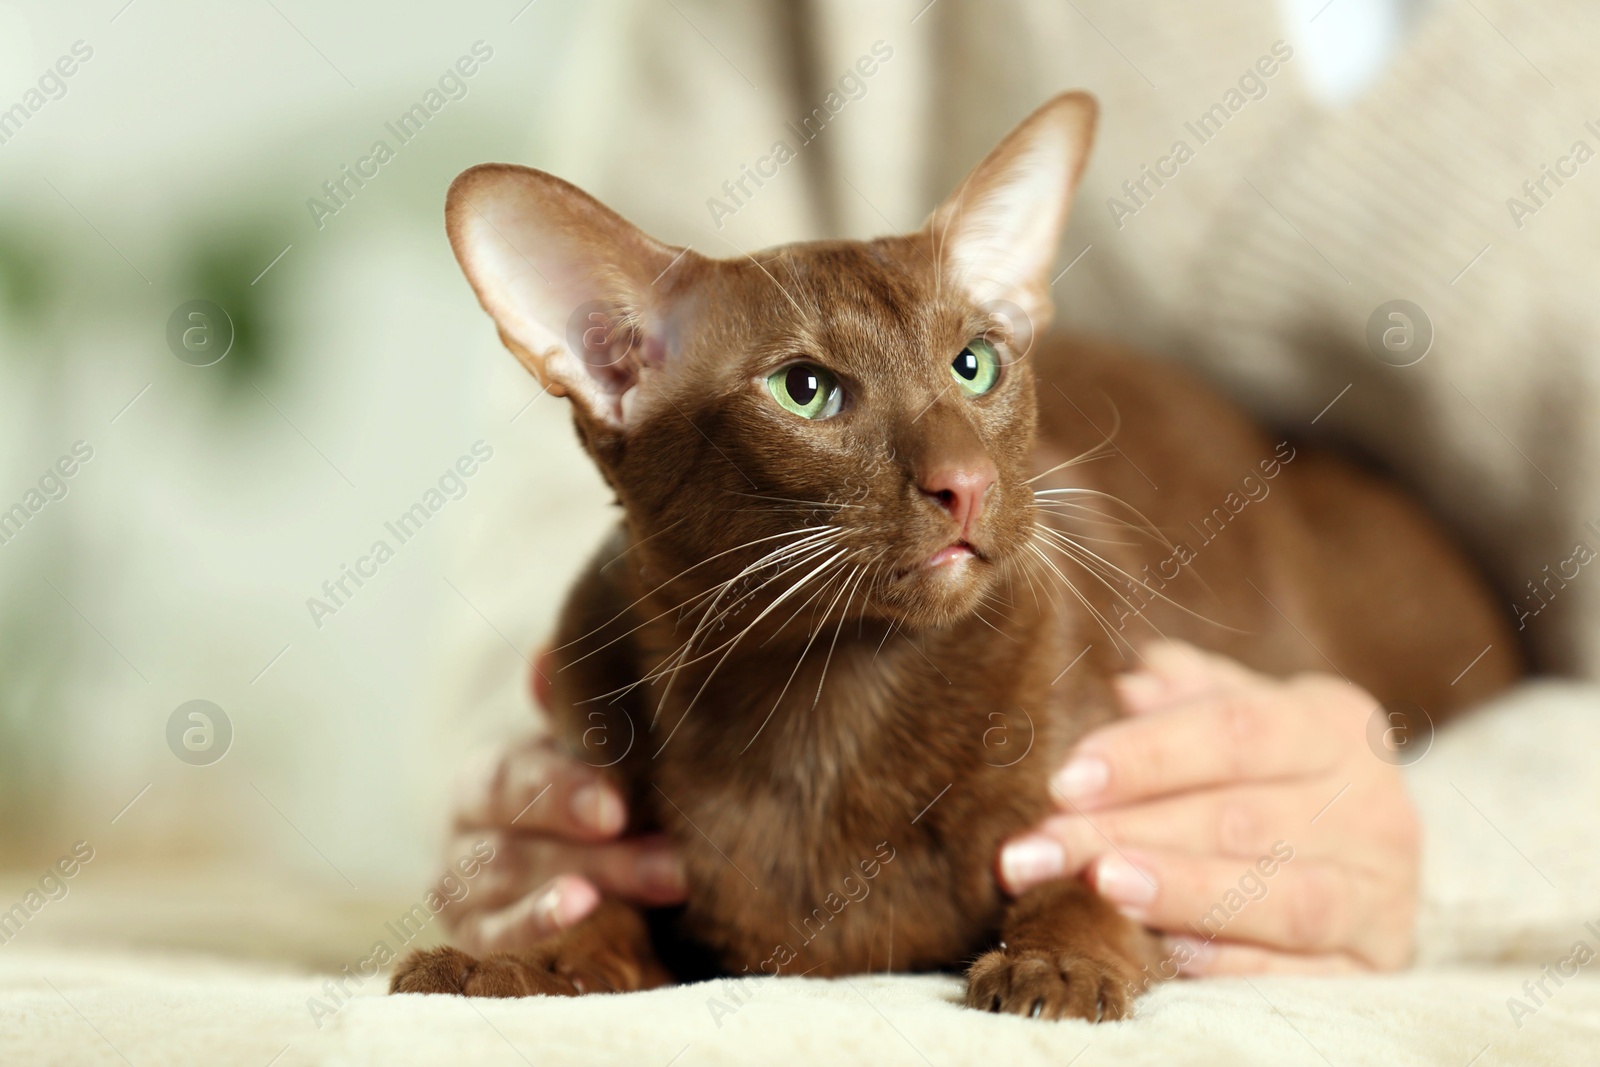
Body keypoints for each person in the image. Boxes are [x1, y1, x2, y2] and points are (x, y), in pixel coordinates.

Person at [432, 0, 1600, 976]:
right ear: (606, 362)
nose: (955, 473)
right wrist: (537, 798)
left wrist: (1457, 842)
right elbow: (546, 517)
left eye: (979, 364)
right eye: (808, 389)